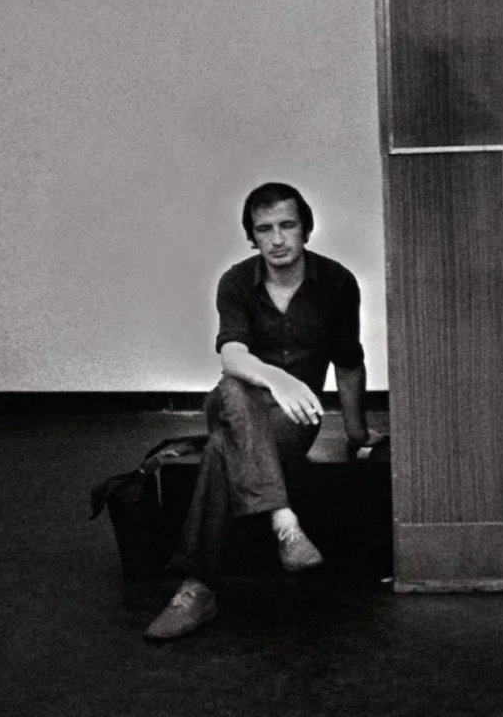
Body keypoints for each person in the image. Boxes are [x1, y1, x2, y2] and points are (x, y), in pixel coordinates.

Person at [145, 182, 370, 641]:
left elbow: (348, 362)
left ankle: (196, 590)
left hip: (293, 418)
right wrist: (280, 378)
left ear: (306, 227)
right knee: (234, 386)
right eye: (264, 229)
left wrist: (358, 432)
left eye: (287, 225)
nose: (277, 238)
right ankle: (285, 523)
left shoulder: (338, 284)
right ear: (252, 235)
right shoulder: (236, 282)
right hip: (235, 401)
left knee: (221, 451)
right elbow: (231, 356)